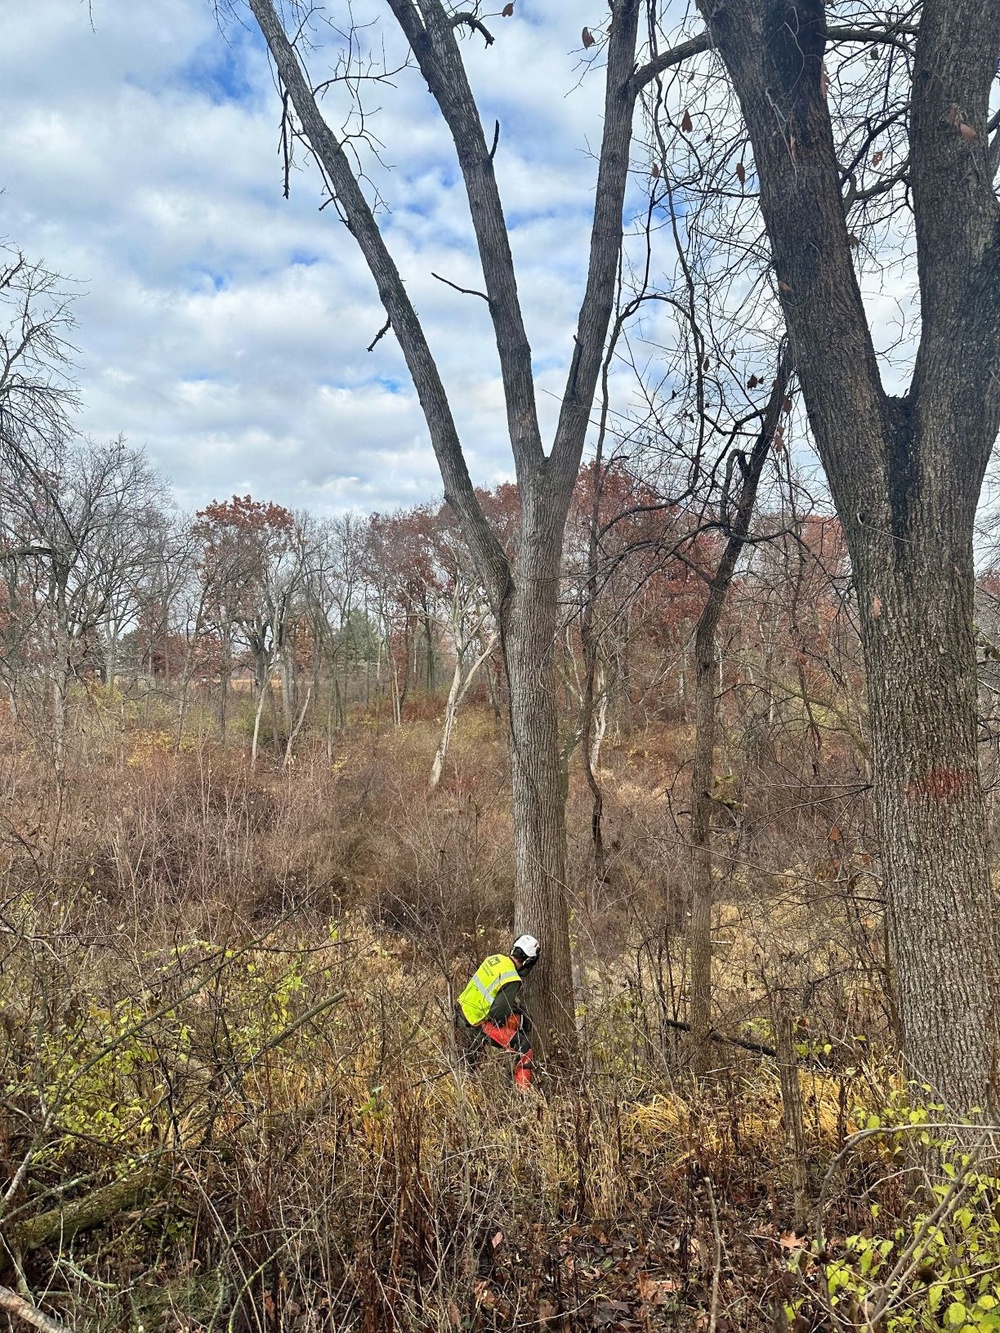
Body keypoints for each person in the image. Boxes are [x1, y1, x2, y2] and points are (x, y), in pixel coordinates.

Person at [454, 934, 540, 1090]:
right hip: (476, 1022)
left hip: (462, 1011)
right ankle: (524, 1096)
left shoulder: (495, 959)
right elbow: (498, 1015)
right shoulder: (512, 979)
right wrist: (515, 1018)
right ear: (529, 961)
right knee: (524, 1048)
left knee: (469, 1066)